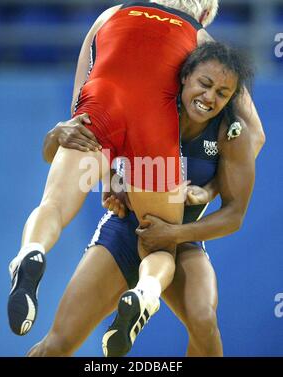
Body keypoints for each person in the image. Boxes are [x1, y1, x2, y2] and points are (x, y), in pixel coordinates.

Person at [27, 42, 264, 357]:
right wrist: (103, 171)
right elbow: (82, 150)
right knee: (56, 345)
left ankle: (142, 296)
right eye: (204, 84)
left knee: (203, 320)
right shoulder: (147, 107)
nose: (209, 98)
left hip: (183, 241)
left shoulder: (232, 134)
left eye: (222, 93)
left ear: (232, 97)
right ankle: (142, 295)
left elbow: (234, 216)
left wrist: (175, 233)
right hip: (125, 233)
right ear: (185, 76)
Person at [8, 0, 222, 341]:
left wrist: (109, 175)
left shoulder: (111, 13)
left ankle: (31, 251)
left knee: (52, 204)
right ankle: (145, 292)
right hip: (155, 122)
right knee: (160, 246)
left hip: (98, 106)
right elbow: (232, 113)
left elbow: (81, 95)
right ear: (206, 13)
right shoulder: (202, 38)